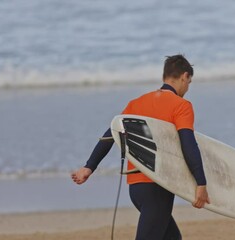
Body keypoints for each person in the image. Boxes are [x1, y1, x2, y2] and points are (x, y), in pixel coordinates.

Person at [71, 54, 210, 240]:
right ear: (184, 76)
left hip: (136, 188)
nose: (187, 88)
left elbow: (110, 134)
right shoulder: (181, 105)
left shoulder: (136, 103)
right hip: (158, 186)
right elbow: (188, 144)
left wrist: (89, 166)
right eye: (189, 82)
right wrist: (201, 182)